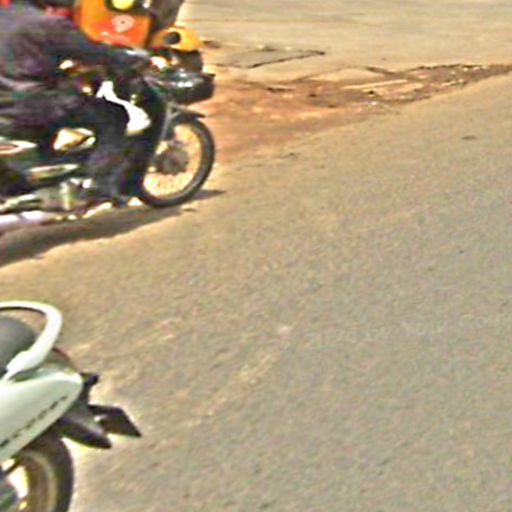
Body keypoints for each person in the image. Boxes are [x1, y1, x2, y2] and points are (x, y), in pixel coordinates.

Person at [0, 0, 149, 201]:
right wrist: (132, 58)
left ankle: (43, 176)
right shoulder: (49, 25)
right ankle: (97, 186)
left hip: (7, 102)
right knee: (114, 117)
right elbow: (93, 51)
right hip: (34, 103)